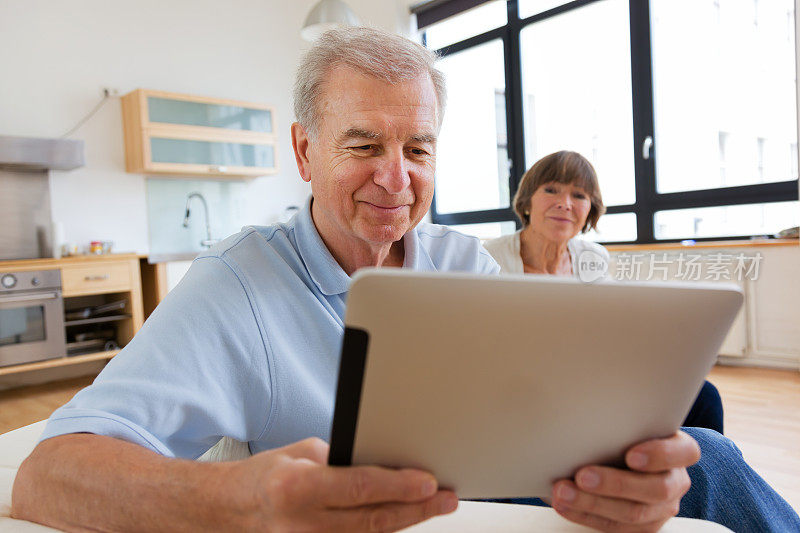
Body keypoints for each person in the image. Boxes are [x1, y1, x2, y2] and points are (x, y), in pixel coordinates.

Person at [11, 27, 799, 533]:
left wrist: (627, 478)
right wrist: (244, 498)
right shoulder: (237, 285)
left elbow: (531, 412)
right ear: (303, 152)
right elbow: (51, 474)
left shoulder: (459, 261)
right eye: (362, 145)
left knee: (693, 444)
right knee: (718, 459)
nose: (396, 180)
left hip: (494, 496)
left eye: (418, 149)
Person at [484, 151, 724, 435]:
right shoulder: (490, 255)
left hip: (589, 375)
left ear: (590, 209)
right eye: (551, 190)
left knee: (704, 396)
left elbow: (611, 330)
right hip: (524, 385)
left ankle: (695, 474)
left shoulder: (593, 256)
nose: (565, 204)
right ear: (527, 200)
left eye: (579, 196)